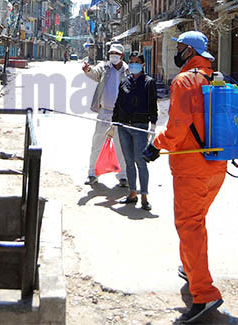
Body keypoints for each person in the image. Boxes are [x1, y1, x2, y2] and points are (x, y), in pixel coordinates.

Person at [142, 31, 225, 323]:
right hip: (216, 164)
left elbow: (177, 128)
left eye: (179, 48)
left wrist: (155, 144)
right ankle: (191, 270)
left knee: (189, 226)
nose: (176, 52)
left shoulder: (185, 80)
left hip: (192, 168)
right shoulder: (213, 77)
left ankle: (204, 294)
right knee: (196, 223)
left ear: (189, 51)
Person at [108, 53, 158, 209]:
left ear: (143, 65)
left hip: (139, 127)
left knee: (141, 162)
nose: (134, 65)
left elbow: (152, 105)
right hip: (123, 126)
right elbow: (118, 103)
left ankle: (144, 196)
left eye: (137, 62)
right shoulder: (124, 81)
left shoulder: (149, 83)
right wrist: (114, 122)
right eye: (131, 62)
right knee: (128, 162)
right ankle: (132, 193)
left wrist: (153, 126)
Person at [82, 43, 127, 186]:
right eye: (111, 53)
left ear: (122, 56)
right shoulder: (105, 68)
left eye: (116, 54)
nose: (113, 56)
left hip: (121, 114)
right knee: (98, 142)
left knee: (121, 144)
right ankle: (92, 173)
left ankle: (123, 175)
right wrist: (88, 70)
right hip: (105, 111)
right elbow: (94, 73)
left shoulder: (127, 71)